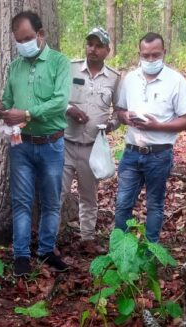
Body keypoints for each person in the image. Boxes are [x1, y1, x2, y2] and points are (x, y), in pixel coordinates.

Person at [0, 10, 71, 276]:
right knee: (21, 201)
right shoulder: (15, 66)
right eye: (19, 40)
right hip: (21, 145)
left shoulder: (59, 62)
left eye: (27, 38)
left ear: (40, 34)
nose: (23, 44)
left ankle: (47, 250)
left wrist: (26, 114)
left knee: (51, 201)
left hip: (51, 143)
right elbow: (7, 100)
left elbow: (60, 102)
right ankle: (21, 256)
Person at [114, 32, 186, 243]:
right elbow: (119, 110)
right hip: (131, 152)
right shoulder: (130, 79)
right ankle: (120, 250)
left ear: (164, 52)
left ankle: (151, 250)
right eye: (146, 55)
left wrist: (157, 126)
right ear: (139, 54)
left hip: (159, 154)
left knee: (154, 204)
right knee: (122, 204)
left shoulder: (176, 81)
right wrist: (125, 116)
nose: (150, 60)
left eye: (155, 55)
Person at [61, 27, 120, 256]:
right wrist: (70, 109)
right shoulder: (71, 68)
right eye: (90, 44)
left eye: (98, 46)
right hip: (66, 143)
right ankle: (49, 242)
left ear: (107, 50)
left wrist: (111, 125)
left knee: (89, 196)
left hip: (92, 147)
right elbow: (57, 97)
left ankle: (87, 238)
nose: (92, 49)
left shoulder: (114, 78)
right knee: (57, 195)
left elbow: (119, 111)